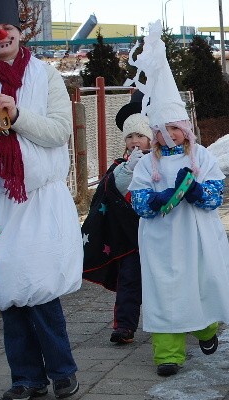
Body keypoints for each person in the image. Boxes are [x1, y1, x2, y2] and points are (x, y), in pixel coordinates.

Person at [0, 0, 82, 400]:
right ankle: (26, 378)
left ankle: (62, 371)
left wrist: (15, 115)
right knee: (5, 291)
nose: (0, 36)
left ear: (19, 33)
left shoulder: (45, 76)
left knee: (38, 288)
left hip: (35, 198)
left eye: (6, 28)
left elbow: (57, 132)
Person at [126, 21, 229, 377]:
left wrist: (198, 192)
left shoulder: (201, 157)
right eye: (163, 129)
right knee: (165, 290)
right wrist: (152, 203)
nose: (170, 134)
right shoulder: (148, 162)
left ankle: (205, 328)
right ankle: (168, 354)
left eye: (176, 127)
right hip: (161, 238)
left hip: (196, 234)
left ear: (185, 128)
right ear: (155, 132)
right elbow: (137, 197)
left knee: (199, 282)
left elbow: (216, 193)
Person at [82, 90, 151, 344]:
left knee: (168, 278)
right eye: (130, 136)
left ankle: (179, 319)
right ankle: (124, 325)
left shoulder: (162, 162)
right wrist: (129, 166)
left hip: (160, 232)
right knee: (130, 280)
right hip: (129, 236)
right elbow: (114, 189)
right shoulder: (121, 166)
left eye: (141, 136)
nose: (135, 141)